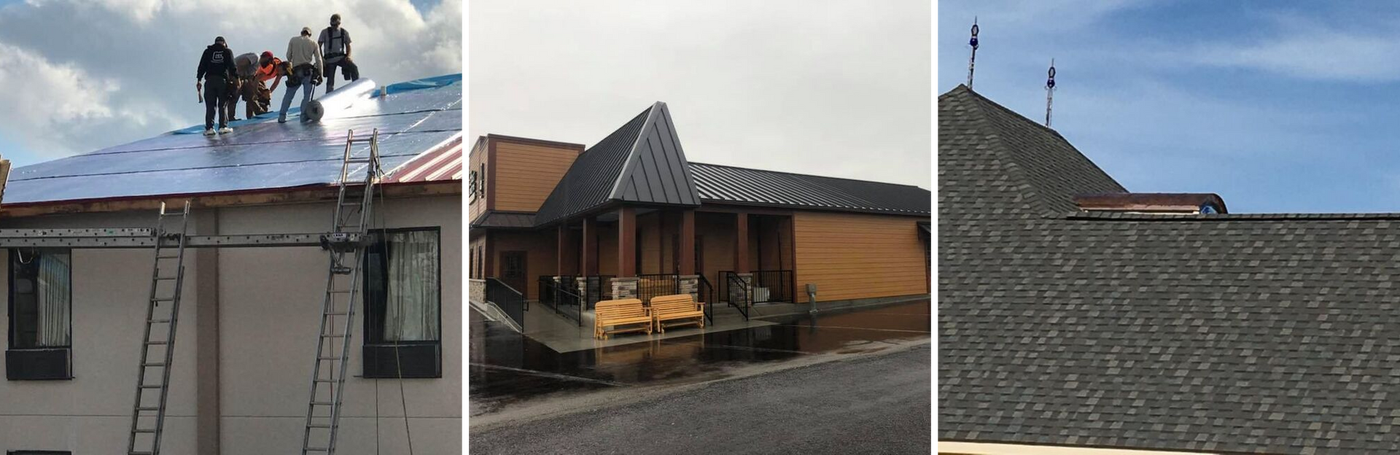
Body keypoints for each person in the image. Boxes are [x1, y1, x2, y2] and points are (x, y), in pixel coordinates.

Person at [278, 26, 324, 123]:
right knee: (307, 95)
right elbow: (318, 60)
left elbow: (288, 57)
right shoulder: (313, 43)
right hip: (308, 71)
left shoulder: (293, 40)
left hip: (295, 71)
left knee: (289, 95)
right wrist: (320, 74)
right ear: (309, 34)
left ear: (301, 32)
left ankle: (282, 116)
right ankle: (303, 116)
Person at [196, 36, 236, 135]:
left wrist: (199, 80)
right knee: (223, 104)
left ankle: (209, 128)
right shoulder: (227, 51)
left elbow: (201, 66)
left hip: (209, 81)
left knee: (210, 105)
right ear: (224, 43)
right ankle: (223, 126)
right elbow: (232, 66)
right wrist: (237, 78)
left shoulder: (207, 52)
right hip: (222, 81)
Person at [318, 13, 358, 93]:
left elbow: (348, 45)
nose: (334, 26)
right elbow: (318, 46)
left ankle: (356, 87)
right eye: (332, 24)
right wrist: (321, 58)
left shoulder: (344, 32)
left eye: (336, 24)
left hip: (340, 58)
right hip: (329, 60)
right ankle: (329, 95)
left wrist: (348, 56)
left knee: (354, 68)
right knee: (330, 80)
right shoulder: (325, 32)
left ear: (339, 23)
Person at [239, 51, 283, 118]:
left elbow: (276, 82)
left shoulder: (280, 68)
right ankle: (255, 114)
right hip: (254, 78)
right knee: (253, 94)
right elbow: (257, 78)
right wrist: (256, 91)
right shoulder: (270, 67)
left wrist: (270, 91)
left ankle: (260, 112)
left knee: (263, 94)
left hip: (260, 79)